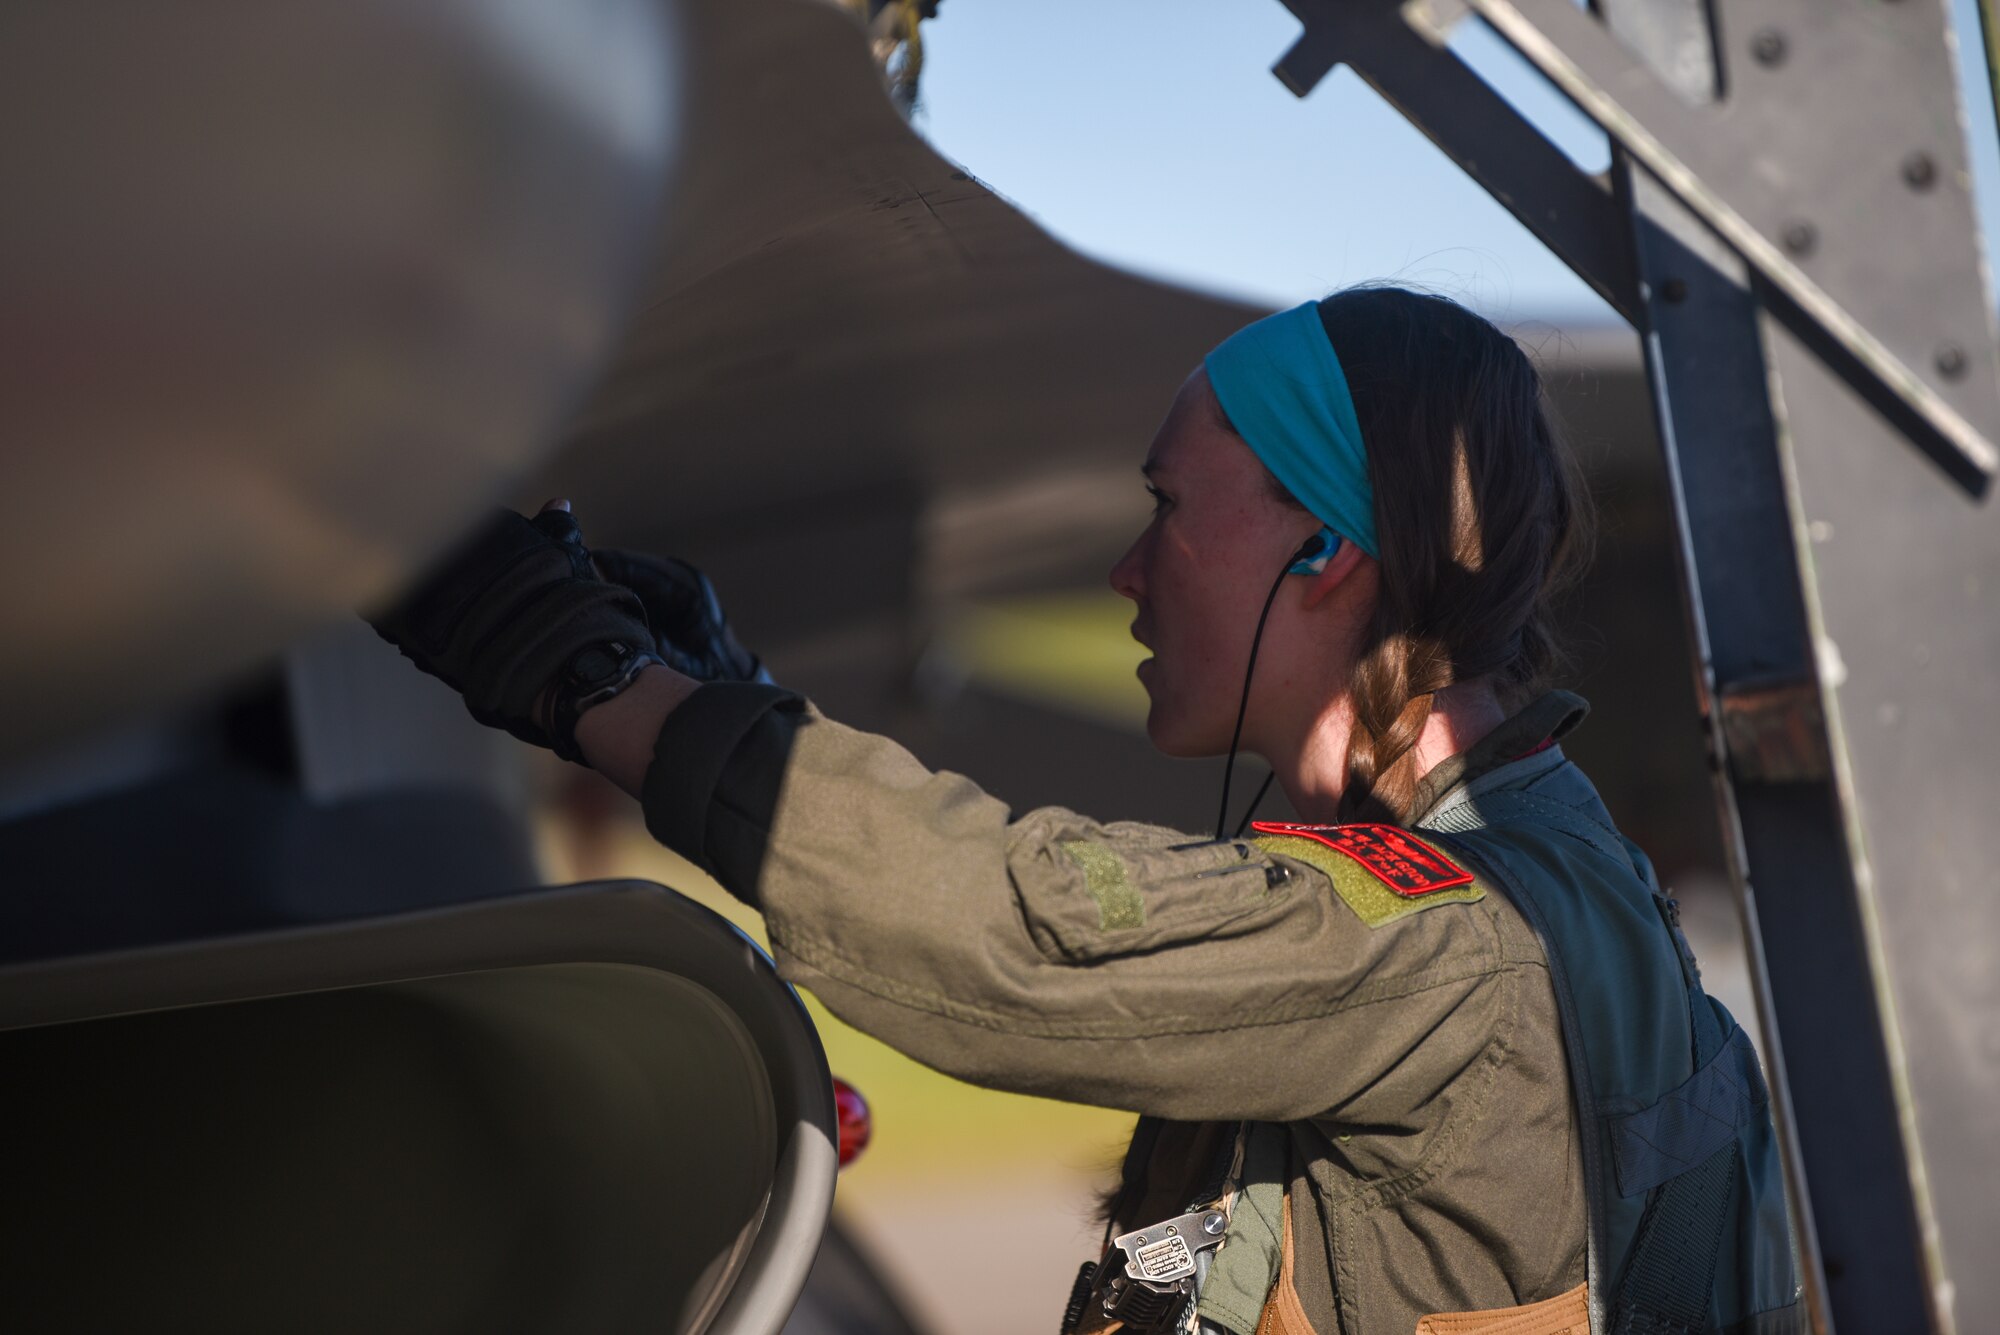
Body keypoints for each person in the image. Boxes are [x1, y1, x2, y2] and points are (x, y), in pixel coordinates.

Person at [373, 286, 1801, 1335]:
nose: (1127, 570)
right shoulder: (1553, 867)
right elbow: (1206, 1200)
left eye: (1168, 507)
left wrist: (601, 690)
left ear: (1327, 549)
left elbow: (1022, 935)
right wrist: (729, 693)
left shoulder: (1447, 937)